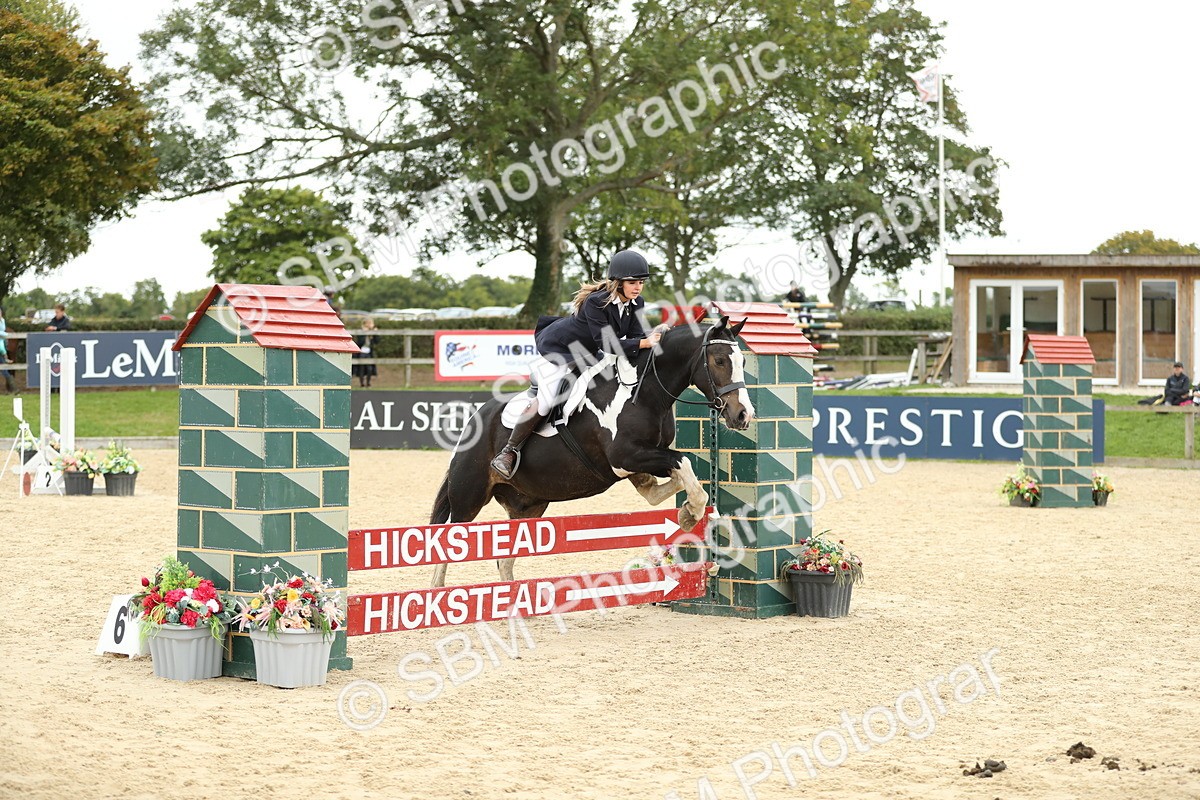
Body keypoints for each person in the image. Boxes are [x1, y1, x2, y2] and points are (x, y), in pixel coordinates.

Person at [489, 249, 666, 479]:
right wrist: (644, 341)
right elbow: (609, 344)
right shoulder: (596, 302)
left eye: (641, 282)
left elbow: (634, 337)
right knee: (548, 398)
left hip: (590, 353)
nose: (638, 287)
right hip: (560, 349)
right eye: (632, 282)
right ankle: (508, 451)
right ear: (618, 282)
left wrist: (655, 337)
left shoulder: (636, 303)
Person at [352, 318, 378, 388]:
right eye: (369, 323)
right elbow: (359, 342)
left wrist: (375, 333)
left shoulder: (371, 332)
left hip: (369, 352)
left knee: (369, 368)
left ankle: (368, 382)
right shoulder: (361, 331)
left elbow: (377, 341)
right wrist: (365, 334)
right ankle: (362, 383)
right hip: (362, 351)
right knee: (361, 368)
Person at [0, 307, 16, 393]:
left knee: (3, 366)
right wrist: (6, 334)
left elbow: (2, 330)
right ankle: (13, 387)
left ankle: (13, 387)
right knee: (3, 366)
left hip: (1, 340)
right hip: (2, 339)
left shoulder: (2, 321)